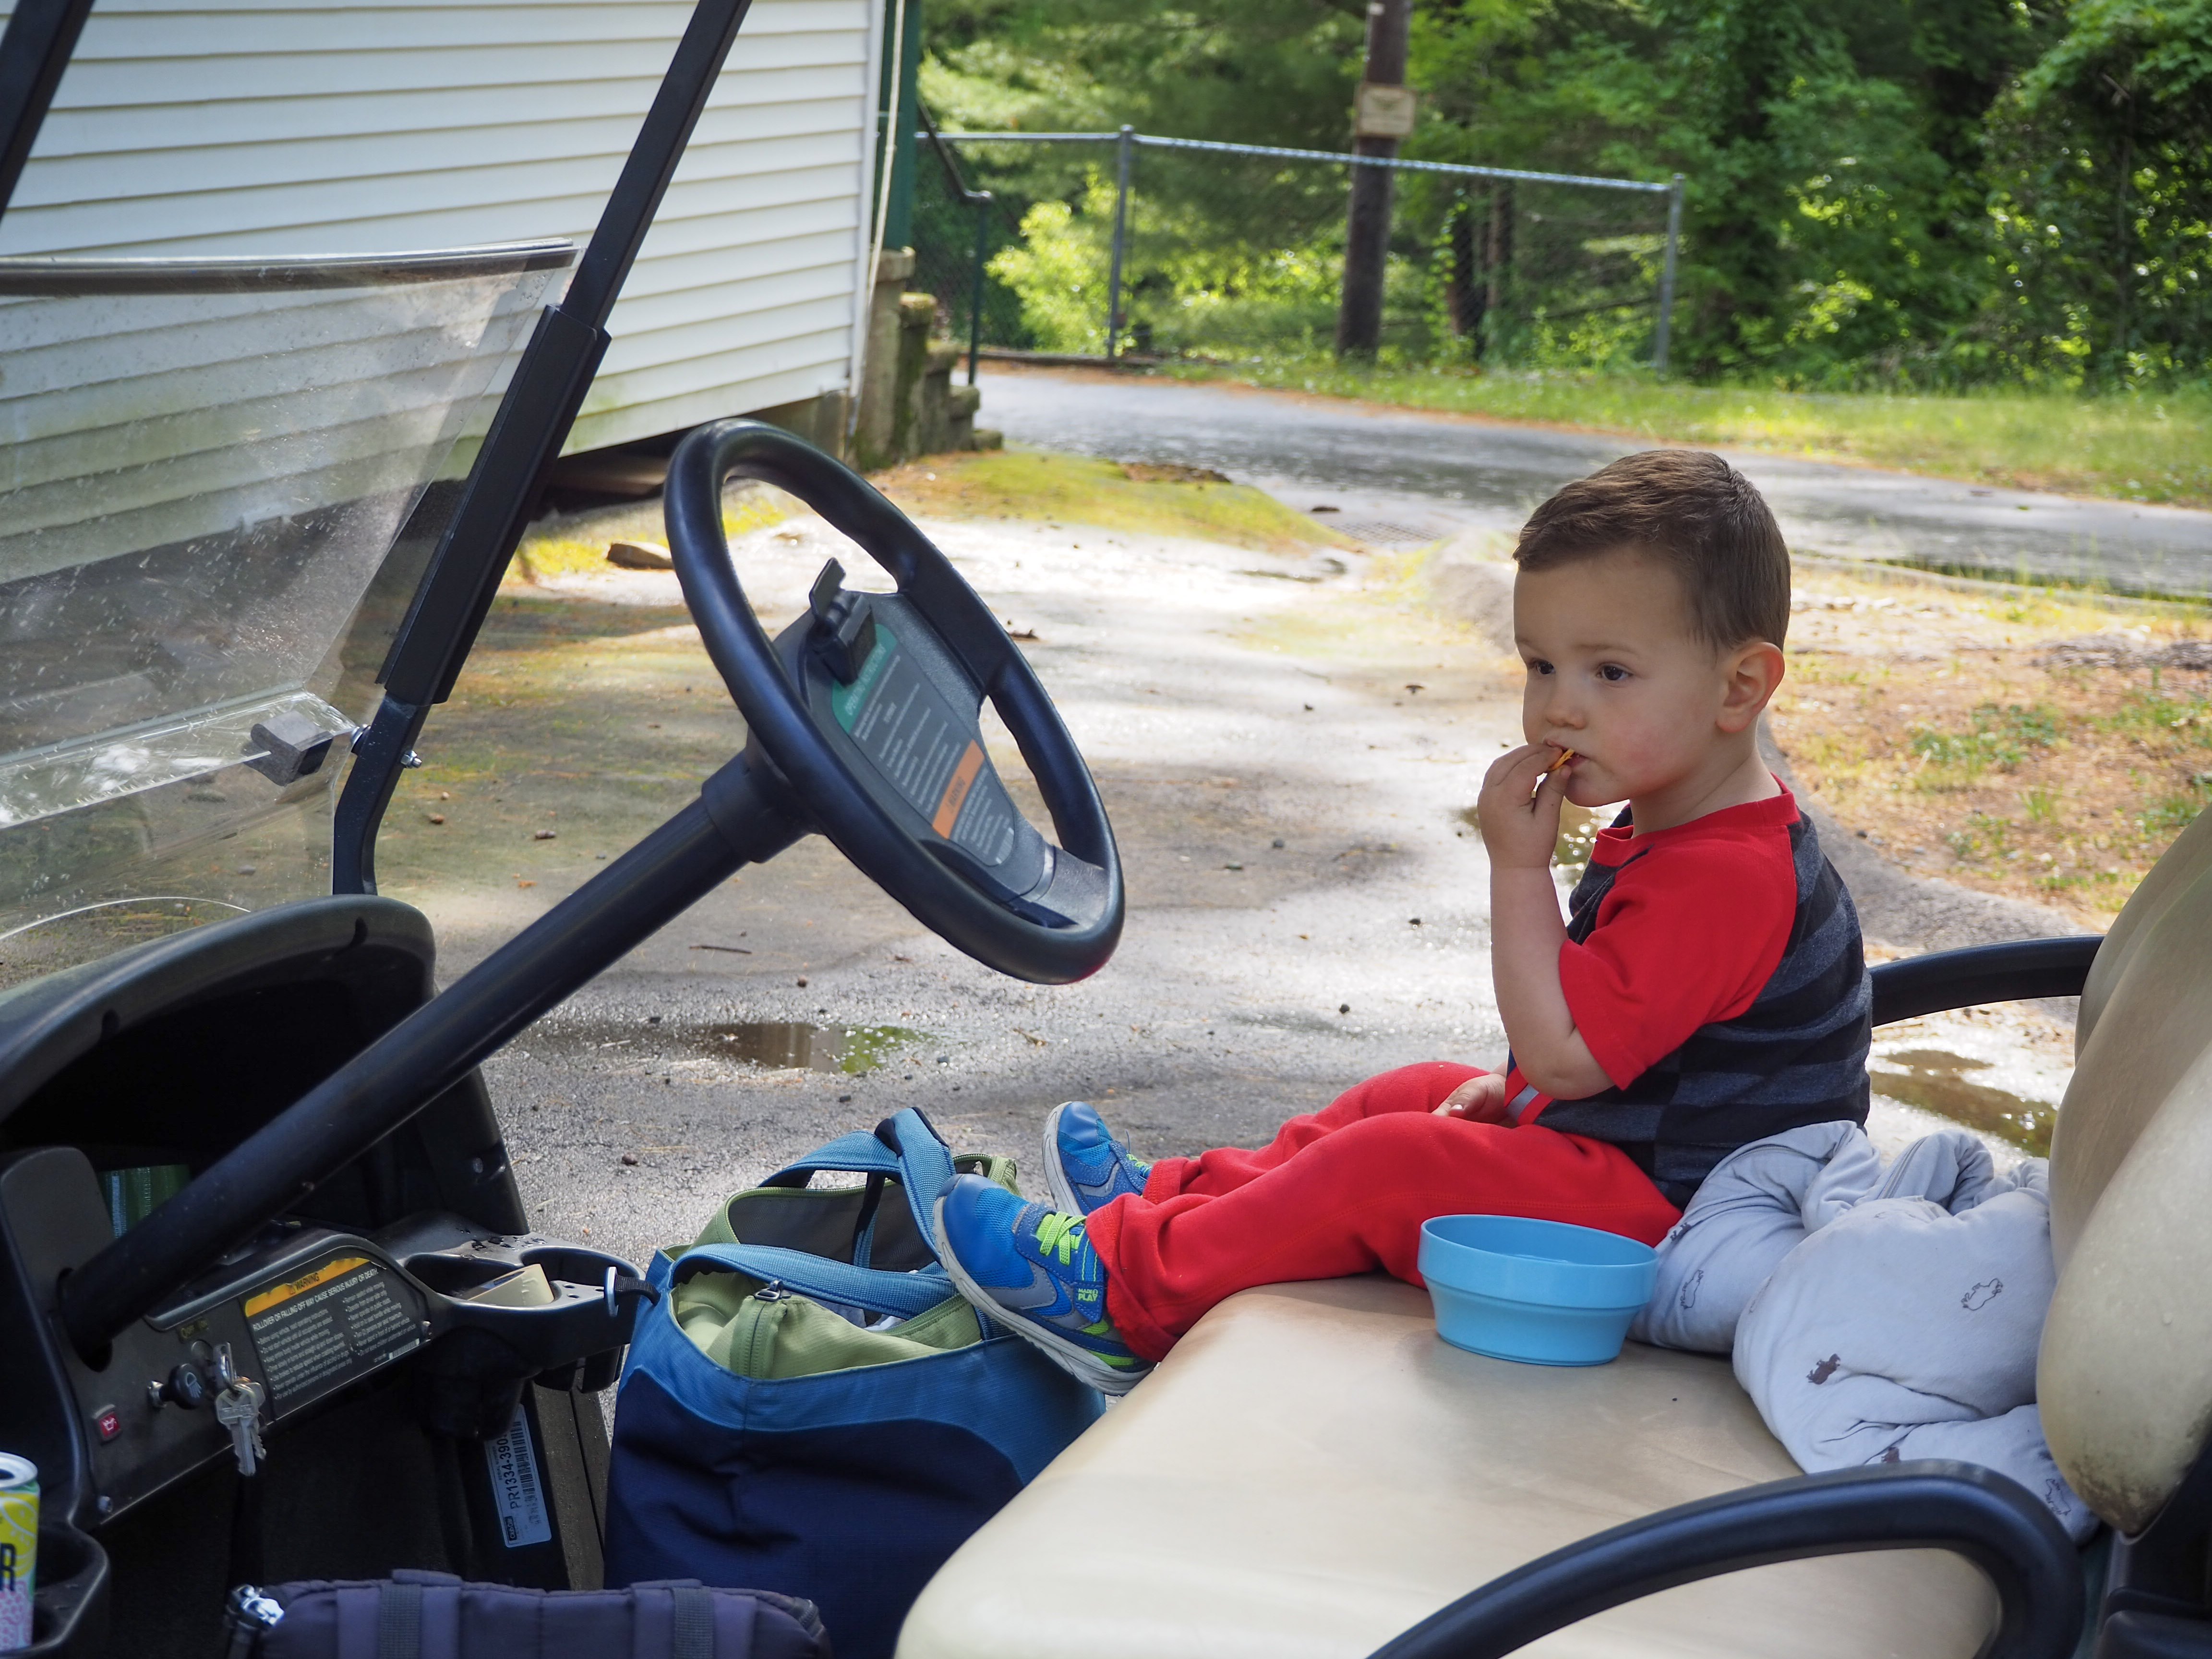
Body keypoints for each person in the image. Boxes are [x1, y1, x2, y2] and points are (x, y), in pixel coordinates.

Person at [935, 449, 1872, 1395]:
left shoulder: (1725, 877)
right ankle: (1181, 1203)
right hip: (1645, 1172)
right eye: (1541, 665)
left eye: (1611, 672)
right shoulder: (1691, 823)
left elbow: (1564, 1056)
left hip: (1683, 1232)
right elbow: (1626, 1042)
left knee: (1394, 1165)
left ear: (1740, 688)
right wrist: (1523, 1102)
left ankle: (1125, 1296)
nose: (1559, 707)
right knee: (1416, 1093)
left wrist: (1519, 868)